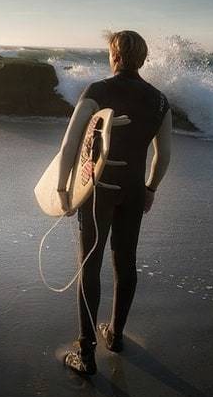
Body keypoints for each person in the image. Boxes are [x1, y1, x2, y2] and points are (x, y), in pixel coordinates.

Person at [56, 30, 172, 376]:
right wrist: (150, 188)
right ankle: (116, 336)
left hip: (99, 191)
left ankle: (86, 352)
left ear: (115, 55)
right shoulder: (160, 101)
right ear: (143, 58)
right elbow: (163, 156)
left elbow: (69, 145)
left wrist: (63, 191)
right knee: (126, 262)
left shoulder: (97, 91)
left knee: (89, 265)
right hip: (134, 191)